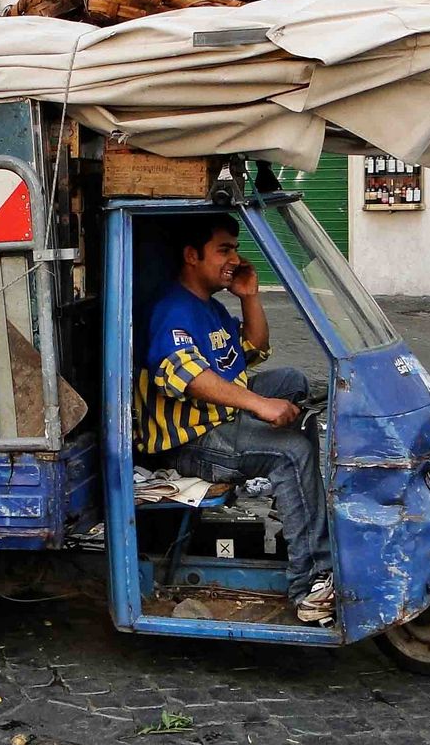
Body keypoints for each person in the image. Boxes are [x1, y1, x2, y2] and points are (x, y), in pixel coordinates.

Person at [134, 214, 333, 625]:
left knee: (293, 382)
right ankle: (311, 584)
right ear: (192, 255)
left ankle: (298, 508)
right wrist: (259, 405)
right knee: (292, 452)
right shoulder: (173, 310)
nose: (235, 258)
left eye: (234, 249)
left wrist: (249, 296)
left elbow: (253, 350)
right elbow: (182, 373)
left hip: (218, 418)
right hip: (191, 442)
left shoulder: (211, 308)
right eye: (224, 249)